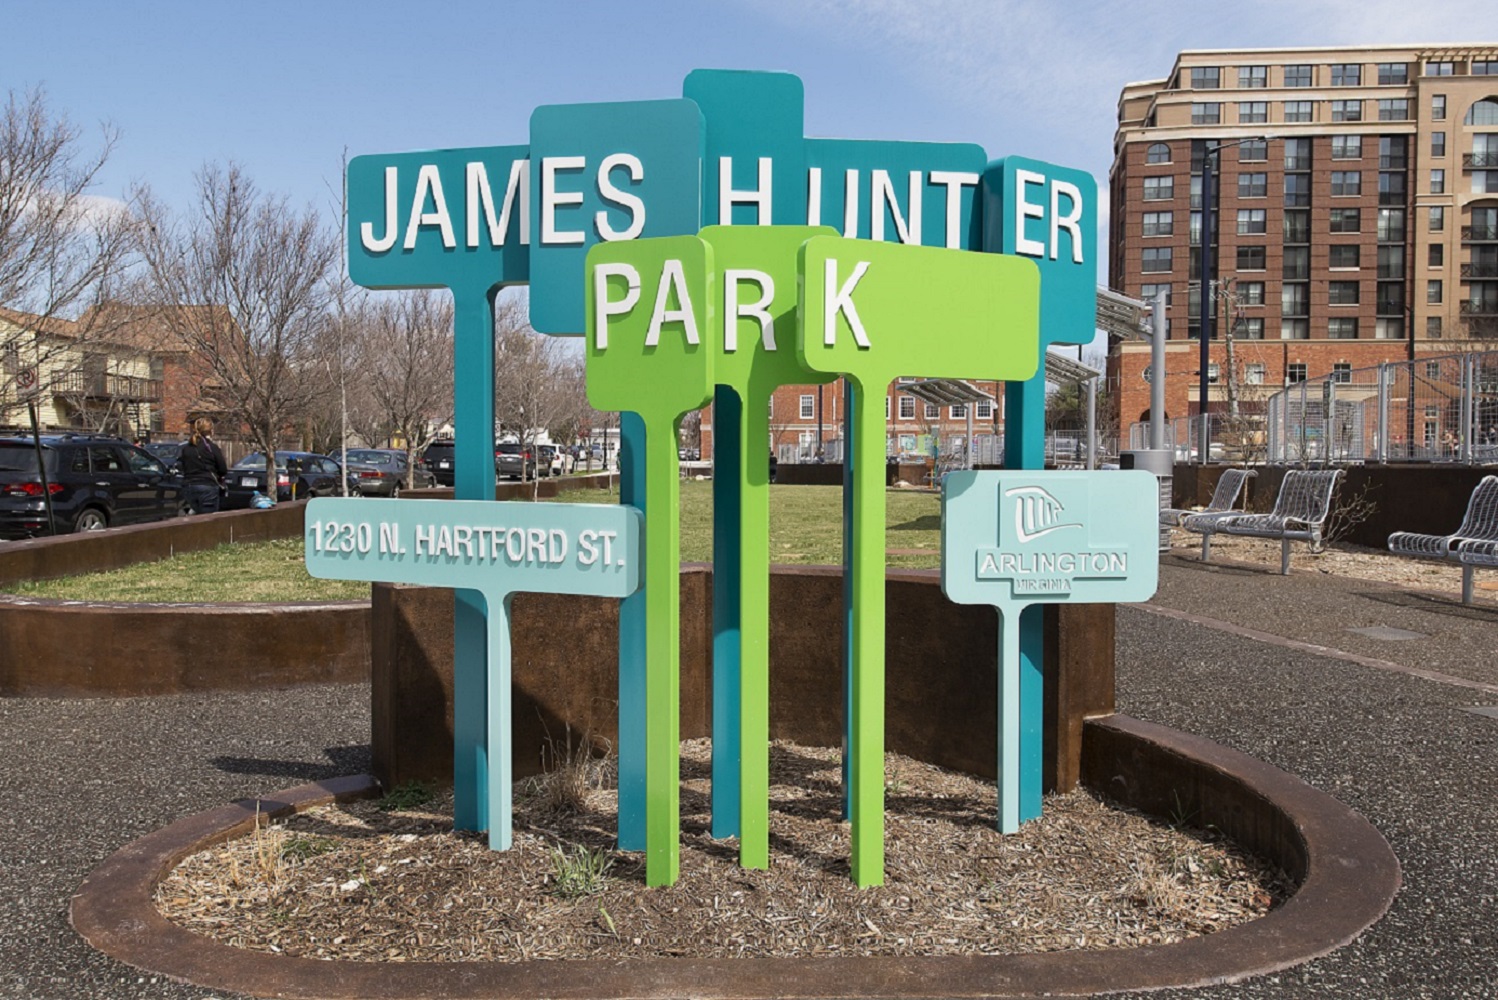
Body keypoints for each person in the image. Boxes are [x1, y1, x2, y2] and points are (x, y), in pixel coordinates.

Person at [179, 417, 227, 514]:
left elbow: (182, 466)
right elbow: (223, 469)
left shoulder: (186, 448)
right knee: (208, 519)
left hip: (189, 486)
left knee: (192, 519)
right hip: (207, 486)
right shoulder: (212, 447)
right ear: (211, 431)